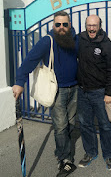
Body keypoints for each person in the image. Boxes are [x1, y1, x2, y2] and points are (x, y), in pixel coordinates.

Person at [12, 11, 78, 177]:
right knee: (61, 126)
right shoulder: (46, 41)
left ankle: (61, 150)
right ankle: (65, 160)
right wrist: (19, 82)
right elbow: (28, 61)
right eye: (58, 24)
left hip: (75, 88)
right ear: (53, 26)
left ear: (69, 25)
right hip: (57, 90)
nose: (61, 28)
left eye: (65, 24)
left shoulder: (74, 39)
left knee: (69, 124)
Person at [77, 14, 111, 171]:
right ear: (85, 25)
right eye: (89, 25)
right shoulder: (79, 40)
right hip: (82, 91)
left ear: (100, 26)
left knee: (105, 125)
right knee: (85, 124)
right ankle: (90, 152)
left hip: (100, 93)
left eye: (94, 25)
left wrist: (109, 93)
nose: (91, 28)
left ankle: (109, 155)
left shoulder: (108, 46)